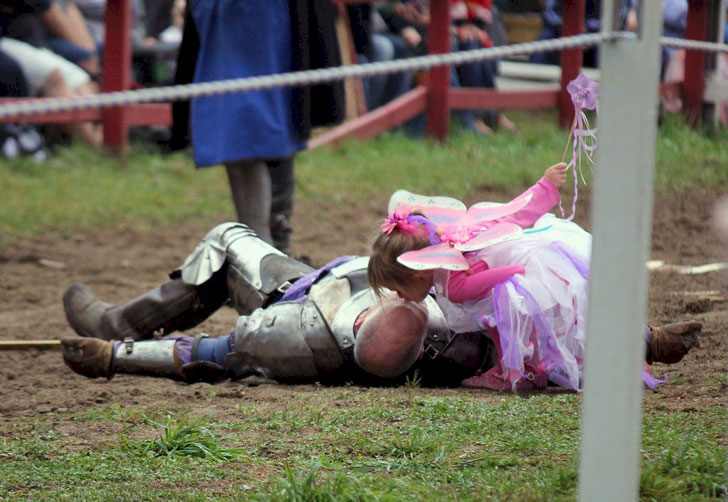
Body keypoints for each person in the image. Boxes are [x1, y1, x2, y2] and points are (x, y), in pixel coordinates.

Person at [59, 222, 701, 390]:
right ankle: (116, 324)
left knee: (229, 243)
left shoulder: (317, 338)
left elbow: (220, 353)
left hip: (314, 304)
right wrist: (642, 337)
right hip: (331, 285)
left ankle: (117, 328)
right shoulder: (466, 303)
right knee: (229, 244)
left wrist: (117, 356)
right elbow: (553, 311)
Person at [367, 162, 699, 390]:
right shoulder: (459, 236)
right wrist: (543, 187)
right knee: (569, 322)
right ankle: (645, 341)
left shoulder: (453, 285)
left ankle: (516, 371)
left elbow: (489, 282)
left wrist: (514, 273)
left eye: (397, 288)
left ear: (418, 274)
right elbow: (512, 212)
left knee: (542, 333)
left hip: (531, 271)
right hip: (538, 249)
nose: (400, 297)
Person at [0, 0, 103, 147]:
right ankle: (94, 147)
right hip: (8, 41)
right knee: (55, 77)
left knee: (83, 81)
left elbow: (51, 5)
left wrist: (89, 51)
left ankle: (102, 142)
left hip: (36, 44)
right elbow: (48, 11)